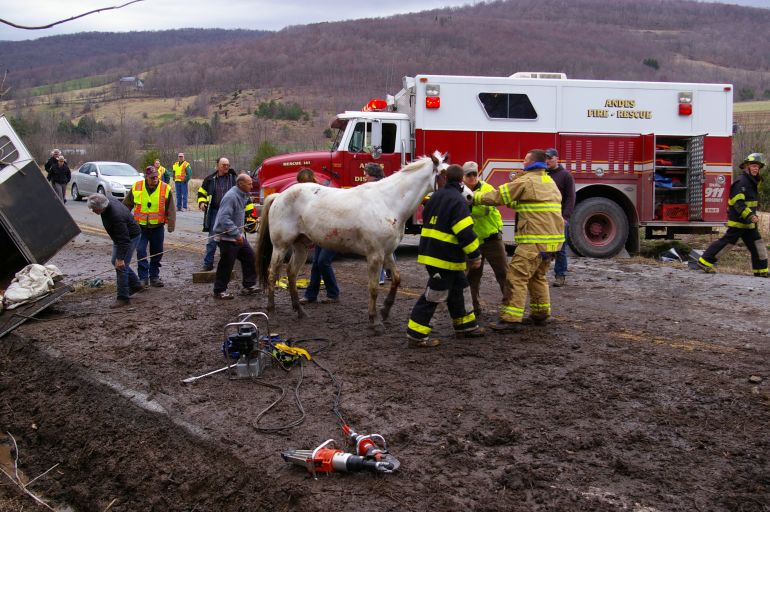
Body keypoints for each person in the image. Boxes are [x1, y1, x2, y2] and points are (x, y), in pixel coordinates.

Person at [473, 149, 564, 331]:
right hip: (553, 241)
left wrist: (472, 197)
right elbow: (527, 202)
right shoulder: (548, 181)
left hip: (535, 241)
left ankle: (511, 319)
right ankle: (541, 314)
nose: (522, 163)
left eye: (525, 160)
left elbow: (497, 196)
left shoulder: (526, 180)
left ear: (531, 163)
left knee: (516, 276)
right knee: (537, 276)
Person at [406, 164, 484, 348]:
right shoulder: (458, 201)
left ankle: (465, 325)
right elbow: (465, 232)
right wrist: (475, 255)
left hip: (433, 253)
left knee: (459, 288)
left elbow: (428, 218)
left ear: (445, 178)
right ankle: (416, 336)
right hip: (444, 257)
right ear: (461, 181)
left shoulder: (435, 197)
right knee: (434, 295)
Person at [697, 153, 768, 277]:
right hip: (740, 221)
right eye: (754, 166)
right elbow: (738, 203)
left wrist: (750, 217)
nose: (756, 168)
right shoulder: (742, 182)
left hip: (749, 223)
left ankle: (762, 272)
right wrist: (750, 216)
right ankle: (705, 261)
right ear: (747, 166)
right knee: (727, 243)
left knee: (758, 245)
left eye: (758, 166)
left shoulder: (752, 182)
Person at [462, 160, 508, 319]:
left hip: (491, 239)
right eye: (469, 175)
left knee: (503, 274)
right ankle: (473, 308)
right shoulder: (460, 191)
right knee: (472, 277)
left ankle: (510, 308)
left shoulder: (487, 188)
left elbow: (484, 209)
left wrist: (470, 200)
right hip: (473, 241)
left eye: (475, 174)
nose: (473, 177)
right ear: (463, 176)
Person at [86, 193, 143, 308]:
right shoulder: (106, 200)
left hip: (130, 237)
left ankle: (123, 298)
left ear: (102, 208)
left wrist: (121, 258)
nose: (93, 211)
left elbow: (124, 240)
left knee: (121, 266)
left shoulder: (116, 216)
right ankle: (136, 285)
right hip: (120, 237)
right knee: (115, 261)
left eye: (94, 209)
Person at [123, 166, 175, 288]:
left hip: (157, 227)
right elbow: (127, 204)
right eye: (152, 178)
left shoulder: (165, 188)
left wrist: (171, 224)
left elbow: (171, 208)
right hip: (140, 227)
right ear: (147, 177)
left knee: (157, 252)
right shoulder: (137, 187)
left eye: (156, 177)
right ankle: (143, 278)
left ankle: (154, 276)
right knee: (141, 250)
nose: (155, 179)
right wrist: (123, 221)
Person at [211, 173, 260, 299]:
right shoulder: (231, 197)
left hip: (237, 236)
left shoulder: (243, 195)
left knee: (250, 257)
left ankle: (248, 286)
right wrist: (236, 234)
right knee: (226, 264)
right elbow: (223, 218)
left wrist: (253, 221)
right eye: (249, 183)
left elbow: (238, 215)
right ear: (241, 184)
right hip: (226, 237)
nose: (252, 185)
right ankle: (219, 291)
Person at [297, 169, 340, 305]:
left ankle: (333, 293)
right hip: (322, 233)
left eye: (302, 183)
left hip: (334, 232)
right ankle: (311, 295)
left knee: (322, 262)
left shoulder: (324, 192)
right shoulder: (311, 196)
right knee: (316, 264)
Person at [198, 157, 237, 271]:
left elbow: (242, 194)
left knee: (229, 239)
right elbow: (201, 193)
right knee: (213, 239)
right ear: (217, 166)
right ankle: (208, 263)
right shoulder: (210, 179)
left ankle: (227, 264)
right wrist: (202, 202)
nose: (226, 167)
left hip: (230, 213)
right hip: (215, 212)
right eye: (224, 165)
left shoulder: (234, 179)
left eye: (228, 165)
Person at [545, 148, 576, 287]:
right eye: (546, 158)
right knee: (543, 247)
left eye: (550, 158)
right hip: (544, 218)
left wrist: (565, 217)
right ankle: (540, 274)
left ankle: (560, 275)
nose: (547, 161)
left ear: (557, 158)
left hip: (559, 218)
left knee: (560, 248)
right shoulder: (543, 175)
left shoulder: (565, 176)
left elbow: (571, 197)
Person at [364, 162, 395, 285]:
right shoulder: (386, 185)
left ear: (372, 174)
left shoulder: (372, 187)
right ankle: (391, 272)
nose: (365, 175)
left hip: (378, 222)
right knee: (389, 250)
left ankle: (380, 276)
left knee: (378, 250)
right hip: (388, 220)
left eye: (366, 172)